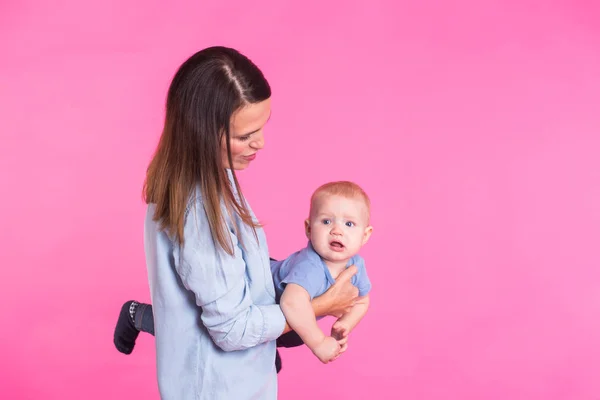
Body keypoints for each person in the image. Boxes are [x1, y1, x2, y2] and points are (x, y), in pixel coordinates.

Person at [124, 46, 359, 400]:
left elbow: (232, 275)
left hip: (241, 376)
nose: (259, 143)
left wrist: (302, 272)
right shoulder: (198, 213)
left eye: (261, 127)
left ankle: (137, 315)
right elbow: (231, 329)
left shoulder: (212, 172)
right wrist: (320, 306)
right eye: (244, 136)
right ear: (201, 132)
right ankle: (136, 315)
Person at [115, 181, 374, 366]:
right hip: (249, 294)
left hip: (268, 310)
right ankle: (136, 314)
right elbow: (292, 303)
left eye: (349, 224)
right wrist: (318, 342)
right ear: (308, 228)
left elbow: (362, 299)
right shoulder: (311, 267)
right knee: (194, 333)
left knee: (289, 334)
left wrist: (344, 324)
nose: (337, 231)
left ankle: (266, 349)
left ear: (365, 235)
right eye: (326, 221)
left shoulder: (356, 265)